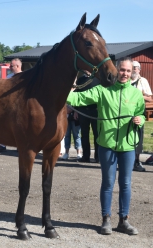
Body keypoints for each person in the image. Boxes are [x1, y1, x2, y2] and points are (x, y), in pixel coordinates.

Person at [67, 57, 145, 235]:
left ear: (132, 72)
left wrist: (140, 120)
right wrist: (59, 89)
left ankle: (124, 220)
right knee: (108, 183)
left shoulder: (136, 94)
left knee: (125, 184)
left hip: (127, 146)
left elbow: (141, 114)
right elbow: (79, 98)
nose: (124, 74)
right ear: (116, 70)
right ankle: (106, 220)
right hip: (107, 145)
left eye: (128, 71)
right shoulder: (102, 90)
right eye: (122, 70)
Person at [0, 58, 22, 153]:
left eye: (11, 66)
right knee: (4, 125)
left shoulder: (24, 77)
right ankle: (2, 145)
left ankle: (20, 145)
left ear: (18, 66)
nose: (9, 67)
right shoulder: (9, 77)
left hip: (19, 107)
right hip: (8, 106)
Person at [131, 61, 152, 172]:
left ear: (139, 70)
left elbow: (149, 98)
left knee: (138, 137)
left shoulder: (142, 81)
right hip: (125, 112)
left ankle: (136, 161)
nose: (134, 70)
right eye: (132, 68)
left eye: (135, 68)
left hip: (138, 111)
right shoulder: (125, 81)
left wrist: (137, 95)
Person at [75, 71, 100, 163]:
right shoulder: (80, 80)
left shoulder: (97, 79)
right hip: (82, 110)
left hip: (95, 111)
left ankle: (98, 157)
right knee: (84, 135)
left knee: (97, 135)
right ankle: (85, 157)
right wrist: (76, 110)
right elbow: (77, 95)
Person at [61, 88, 82, 160]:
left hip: (75, 117)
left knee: (77, 135)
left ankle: (79, 153)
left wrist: (75, 111)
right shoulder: (64, 90)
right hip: (66, 117)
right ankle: (66, 153)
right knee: (67, 135)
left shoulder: (77, 90)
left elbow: (79, 102)